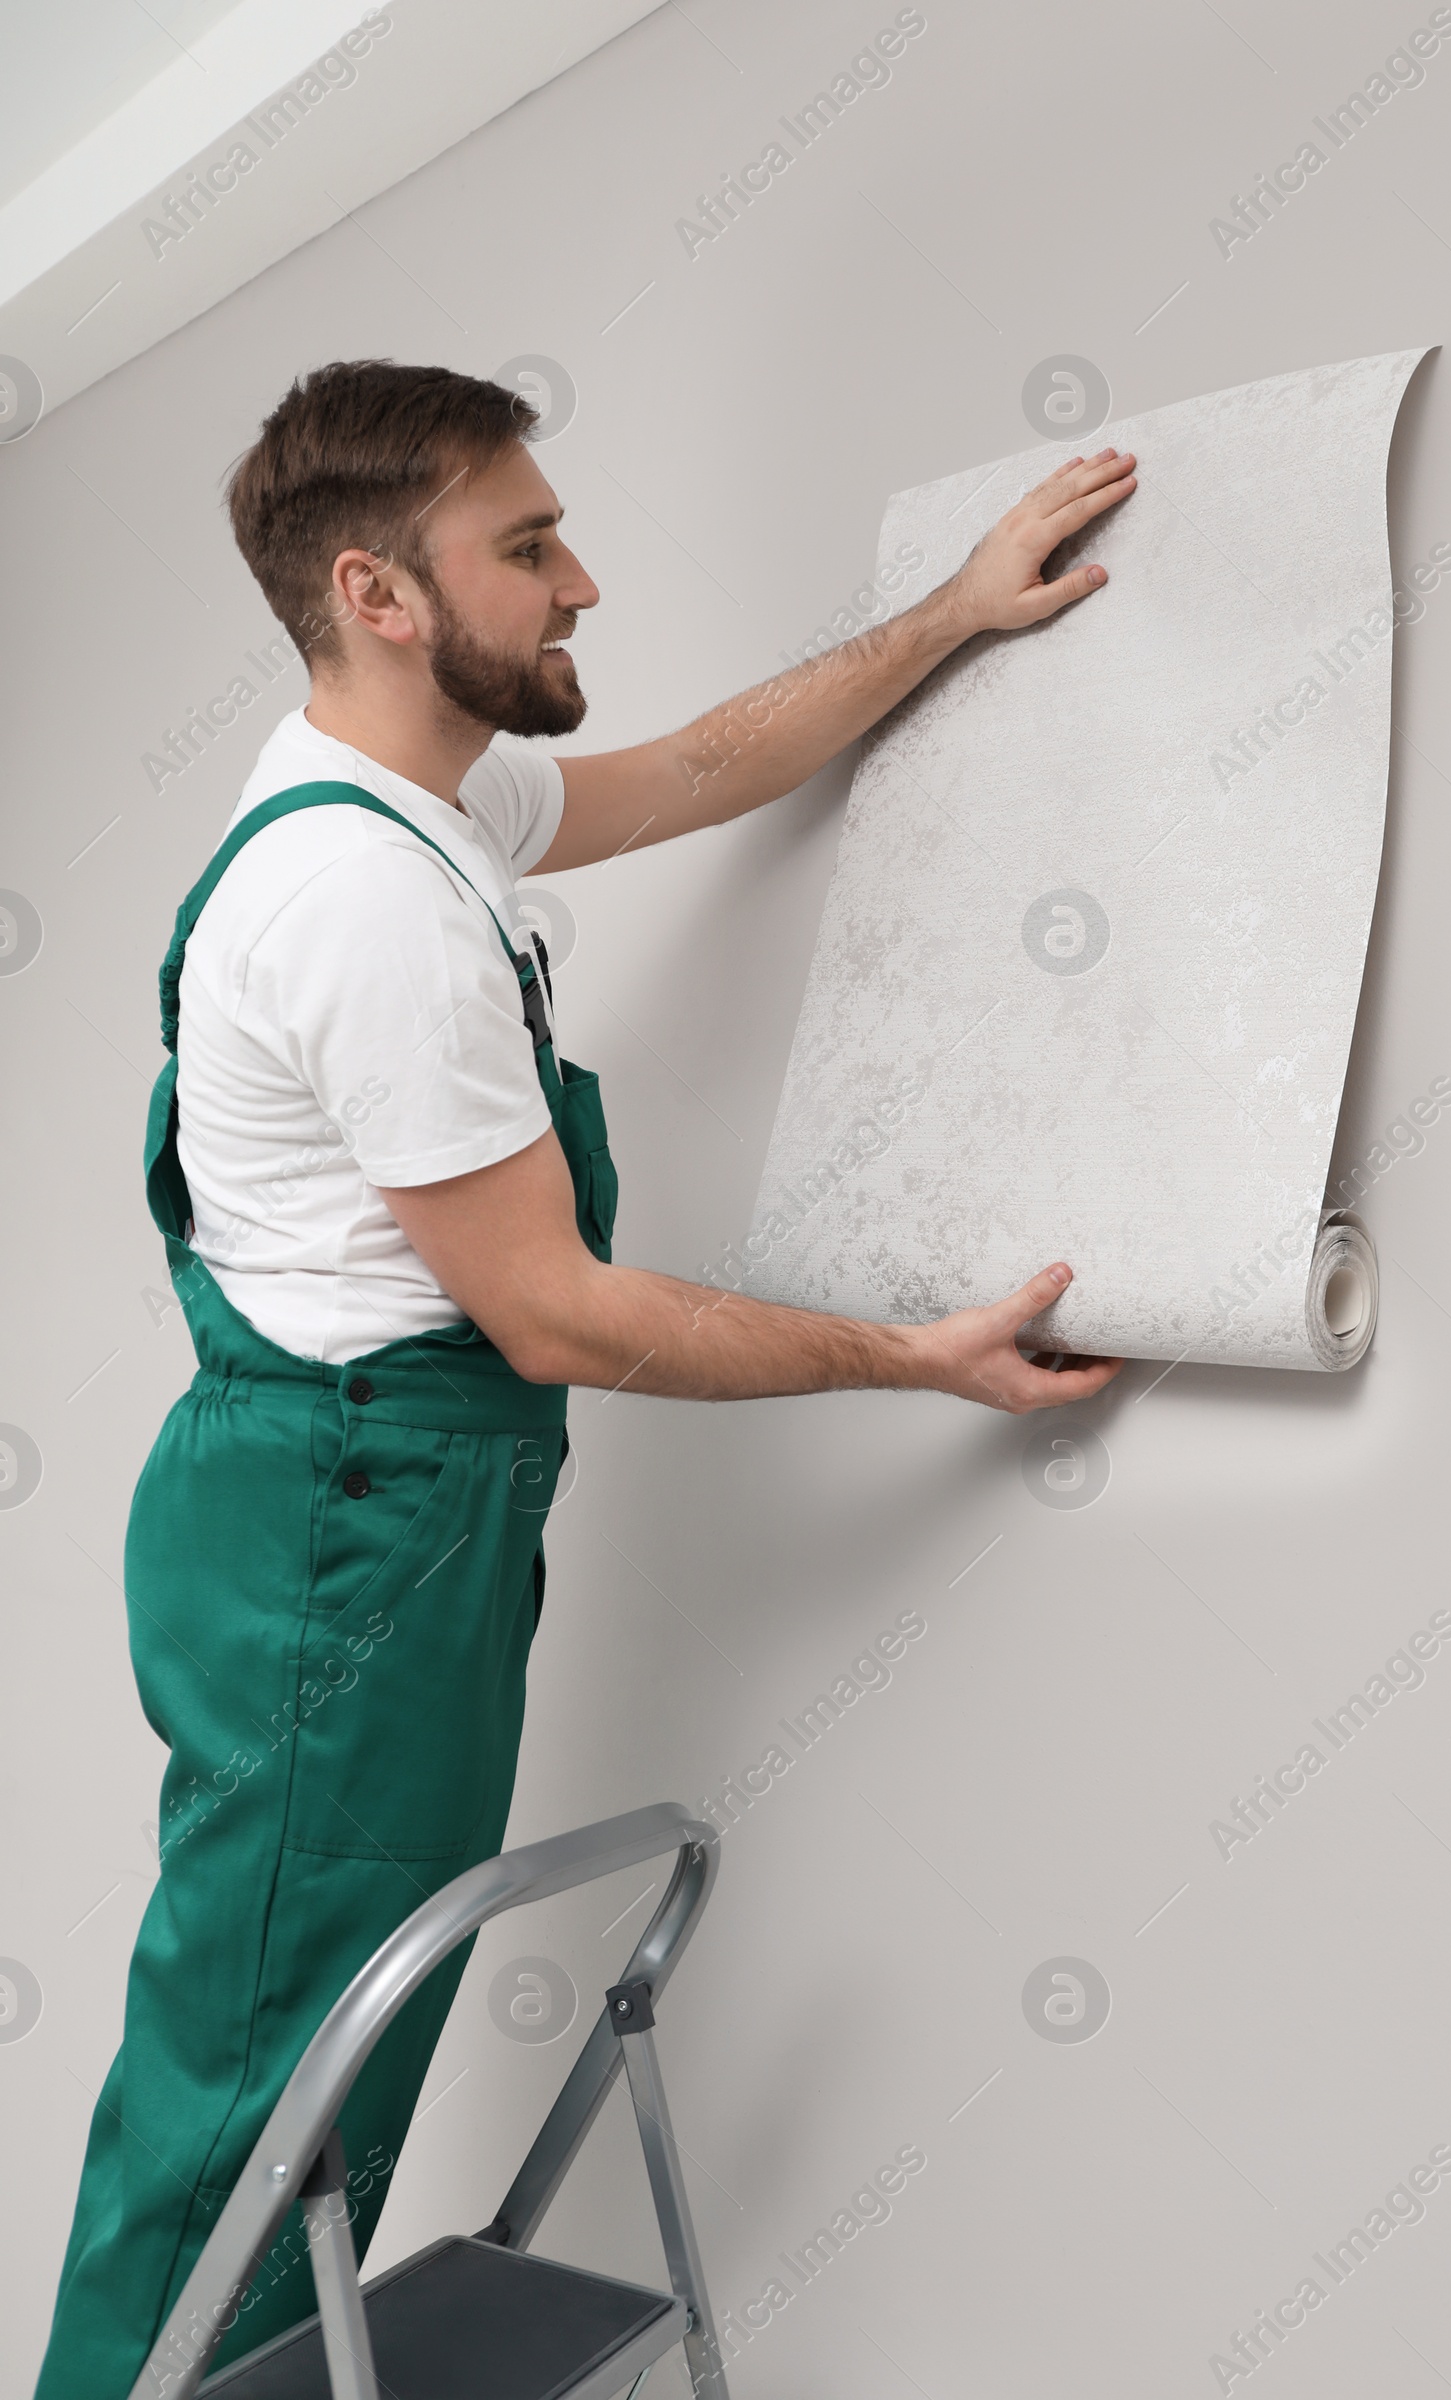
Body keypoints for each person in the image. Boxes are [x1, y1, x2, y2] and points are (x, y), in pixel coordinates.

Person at [35, 358, 1133, 2396]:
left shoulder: (424, 808)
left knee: (314, 2090)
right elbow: (558, 1315)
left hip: (382, 1515)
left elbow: (707, 767)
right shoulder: (363, 903)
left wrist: (954, 612)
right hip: (346, 1540)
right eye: (527, 548)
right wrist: (915, 1354)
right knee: (252, 2109)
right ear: (377, 592)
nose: (582, 581)